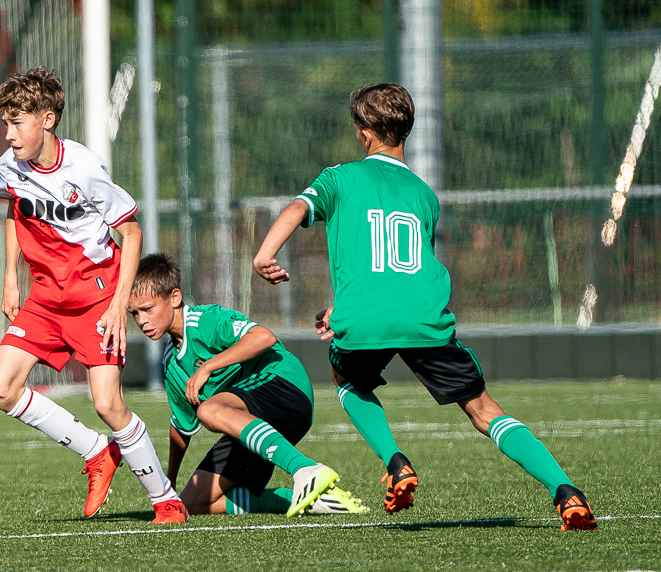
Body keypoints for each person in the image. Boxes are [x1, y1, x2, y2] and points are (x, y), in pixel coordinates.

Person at [252, 82, 597, 531]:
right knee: (483, 409)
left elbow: (298, 208)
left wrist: (265, 255)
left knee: (346, 380)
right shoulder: (424, 194)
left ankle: (395, 461)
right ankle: (565, 490)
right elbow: (402, 270)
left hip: (364, 321)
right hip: (425, 316)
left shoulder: (339, 178)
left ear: (364, 133)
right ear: (406, 132)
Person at [0, 66, 187, 524]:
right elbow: (16, 210)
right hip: (45, 297)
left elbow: (130, 232)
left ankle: (165, 499)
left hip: (96, 296)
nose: (9, 134)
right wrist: (11, 277)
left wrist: (118, 305)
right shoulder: (9, 165)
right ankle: (96, 452)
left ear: (48, 120)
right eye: (5, 124)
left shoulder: (84, 168)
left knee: (108, 404)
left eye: (18, 123)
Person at [128, 252, 368, 517]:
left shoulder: (205, 321)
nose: (141, 320)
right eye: (134, 313)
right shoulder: (172, 364)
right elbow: (181, 428)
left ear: (174, 297)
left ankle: (306, 469)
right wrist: (166, 489)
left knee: (208, 410)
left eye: (148, 309)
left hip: (285, 382)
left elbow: (264, 337)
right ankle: (312, 501)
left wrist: (208, 366)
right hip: (252, 426)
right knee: (192, 503)